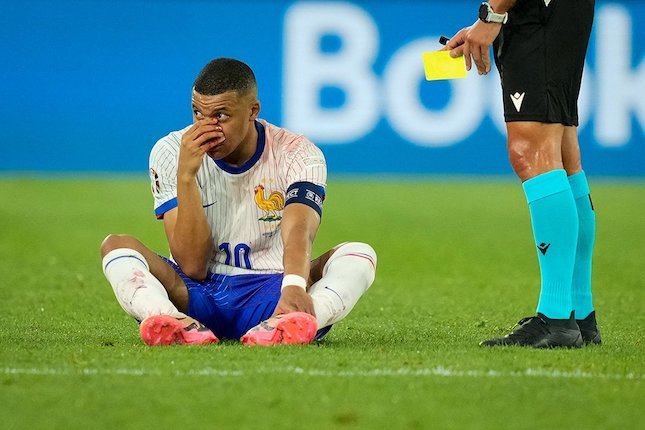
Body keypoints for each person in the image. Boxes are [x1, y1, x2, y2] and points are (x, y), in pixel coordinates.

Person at [100, 58, 377, 346]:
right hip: (195, 292)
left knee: (358, 254)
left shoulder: (297, 153)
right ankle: (172, 321)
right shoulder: (171, 151)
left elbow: (300, 228)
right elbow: (193, 265)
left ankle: (293, 321)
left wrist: (294, 285)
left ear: (252, 111)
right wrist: (186, 177)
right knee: (116, 245)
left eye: (221, 115)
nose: (207, 129)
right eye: (198, 113)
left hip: (272, 290)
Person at [444, 0, 599, 347]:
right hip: (552, 11)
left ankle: (557, 318)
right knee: (561, 147)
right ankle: (579, 313)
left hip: (539, 14)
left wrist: (493, 13)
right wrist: (492, 18)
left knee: (531, 148)